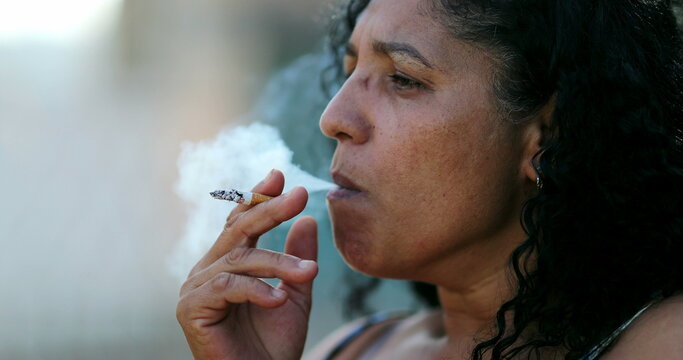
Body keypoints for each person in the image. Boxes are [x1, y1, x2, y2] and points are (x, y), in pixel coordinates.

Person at [175, 0, 683, 358]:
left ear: (547, 136)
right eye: (350, 70)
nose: (334, 117)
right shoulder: (350, 352)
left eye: (403, 79)